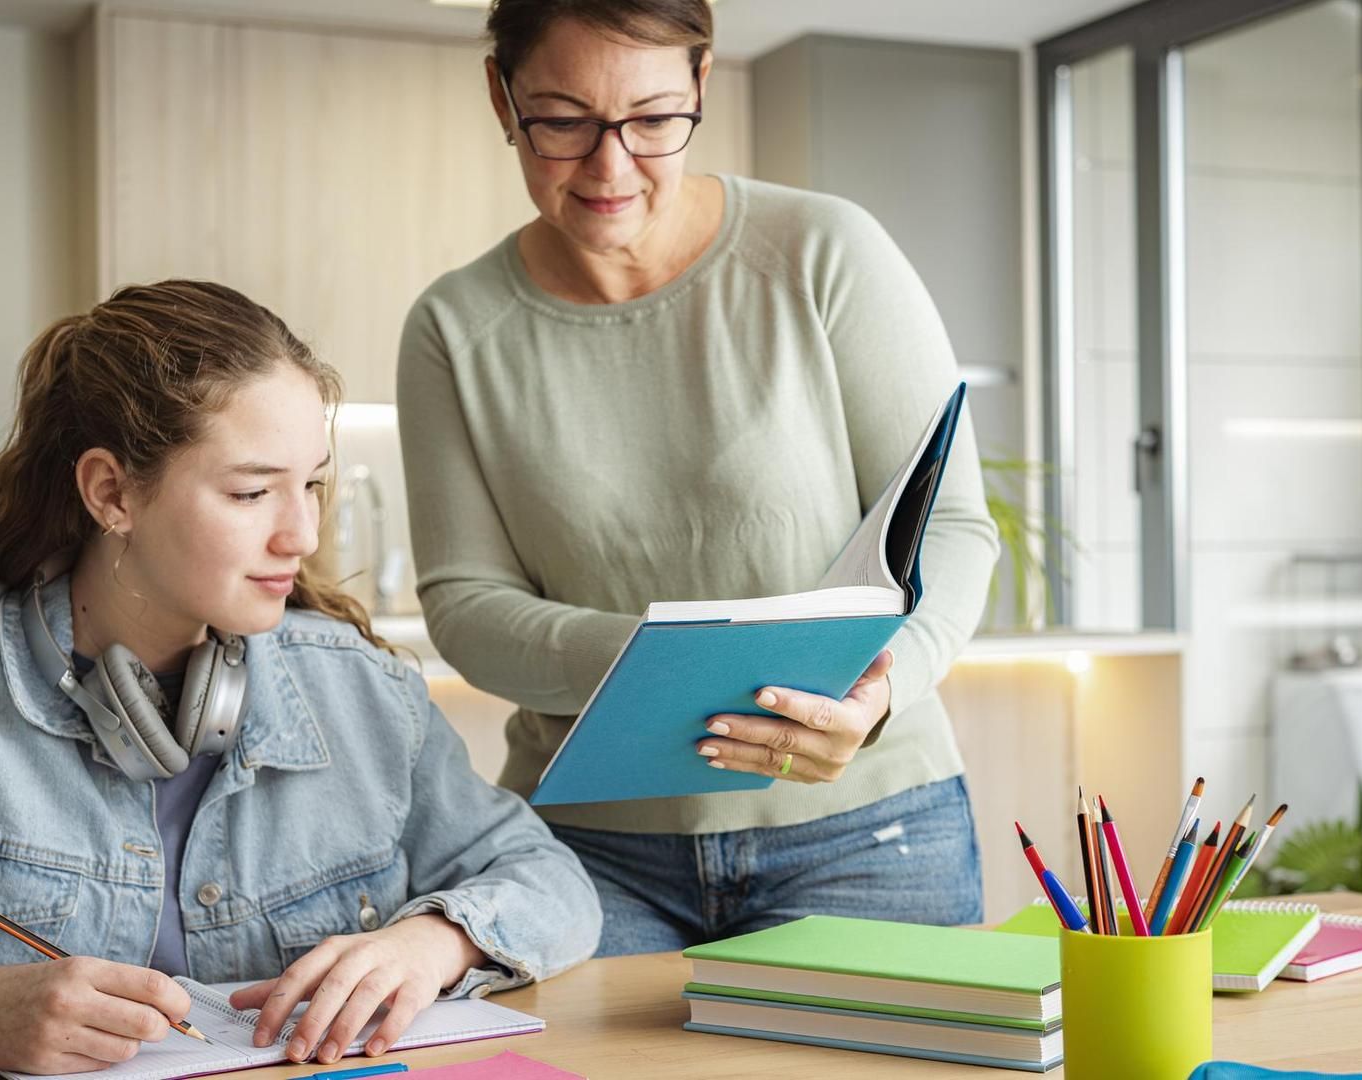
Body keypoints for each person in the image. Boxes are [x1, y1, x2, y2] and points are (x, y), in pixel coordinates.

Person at [0, 280, 600, 1076]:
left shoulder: (365, 691)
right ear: (111, 494)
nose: (303, 535)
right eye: (252, 493)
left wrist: (432, 943)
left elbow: (549, 882)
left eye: (312, 486)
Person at [397, 0, 1001, 958]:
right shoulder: (454, 327)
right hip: (588, 853)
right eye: (562, 120)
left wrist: (877, 694)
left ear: (701, 82)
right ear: (501, 97)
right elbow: (466, 605)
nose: (610, 166)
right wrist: (670, 659)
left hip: (864, 834)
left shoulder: (824, 252)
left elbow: (952, 529)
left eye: (652, 118)